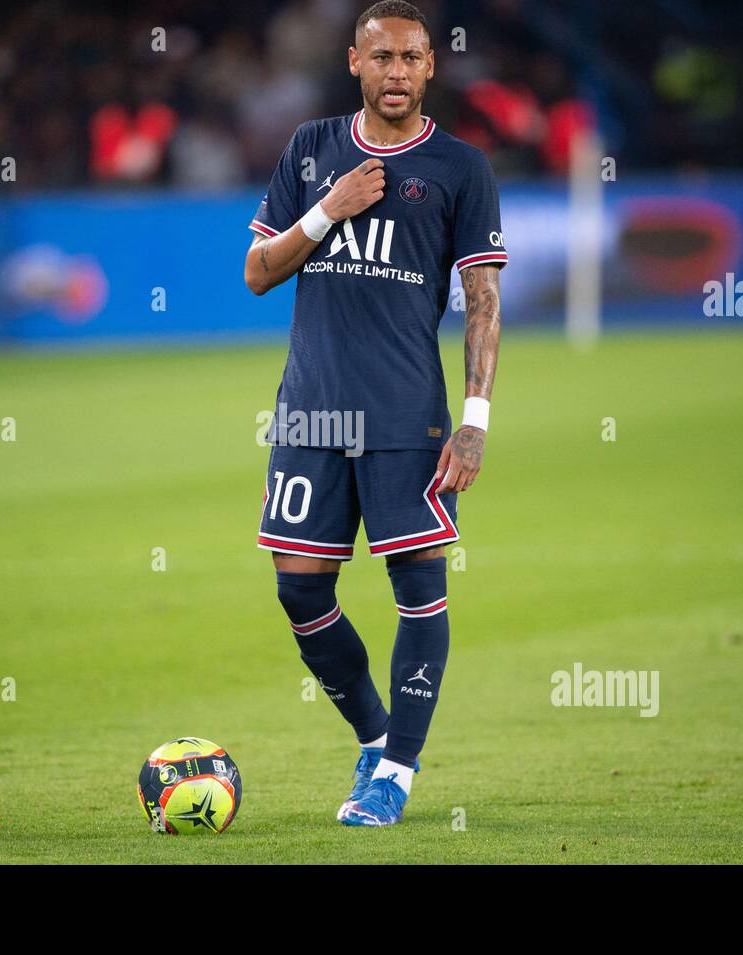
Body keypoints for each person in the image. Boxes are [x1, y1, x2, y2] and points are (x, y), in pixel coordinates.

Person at [244, 1, 506, 826]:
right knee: (298, 593)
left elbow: (483, 299)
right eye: (382, 57)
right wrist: (329, 210)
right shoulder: (311, 150)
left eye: (413, 58)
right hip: (310, 416)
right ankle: (374, 734)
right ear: (354, 62)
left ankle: (395, 771)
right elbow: (256, 270)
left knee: (418, 588)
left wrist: (476, 420)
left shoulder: (462, 168)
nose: (397, 72)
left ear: (433, 67)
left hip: (407, 420)